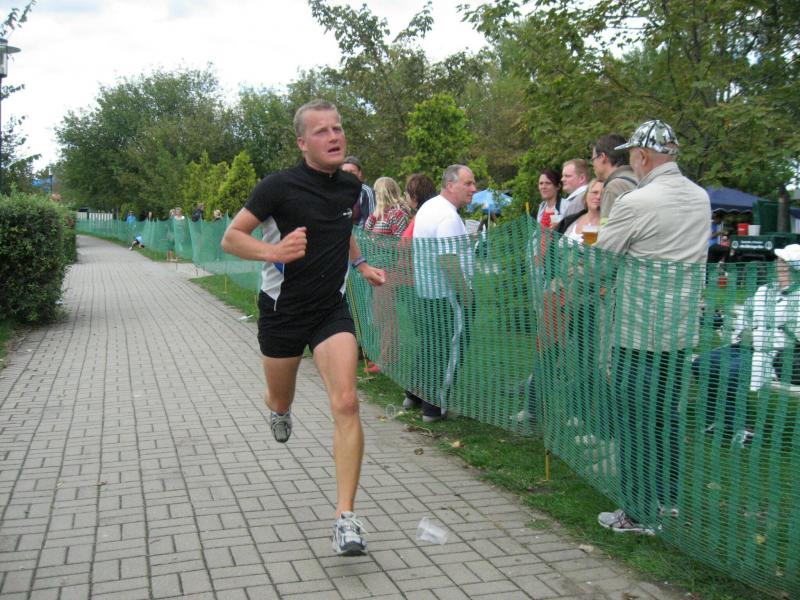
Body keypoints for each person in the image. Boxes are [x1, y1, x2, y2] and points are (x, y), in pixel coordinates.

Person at [220, 99, 386, 556]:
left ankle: (345, 518)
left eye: (338, 128)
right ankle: (279, 410)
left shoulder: (350, 188)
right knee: (281, 396)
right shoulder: (278, 187)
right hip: (282, 311)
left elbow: (342, 230)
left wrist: (362, 265)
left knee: (346, 401)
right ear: (301, 143)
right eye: (321, 131)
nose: (334, 136)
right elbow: (232, 237)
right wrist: (274, 252)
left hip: (330, 309)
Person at [594, 119, 710, 534]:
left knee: (635, 421)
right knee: (666, 415)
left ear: (643, 156)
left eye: (631, 156)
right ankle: (667, 497)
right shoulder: (700, 198)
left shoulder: (636, 202)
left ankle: (638, 511)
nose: (631, 163)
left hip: (639, 332)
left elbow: (601, 260)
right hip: (680, 331)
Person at [693, 245, 800, 442]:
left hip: (776, 353)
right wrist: (741, 330)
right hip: (745, 346)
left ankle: (741, 426)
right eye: (780, 261)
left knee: (730, 372)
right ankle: (720, 419)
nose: (781, 265)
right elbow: (746, 316)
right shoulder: (765, 290)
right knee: (701, 364)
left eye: (786, 262)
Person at [413, 165, 476, 423]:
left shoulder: (430, 207)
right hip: (447, 297)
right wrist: (465, 295)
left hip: (427, 293)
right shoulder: (448, 216)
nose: (474, 189)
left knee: (429, 346)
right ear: (451, 186)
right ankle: (435, 408)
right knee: (448, 351)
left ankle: (413, 395)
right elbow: (448, 260)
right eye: (468, 183)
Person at [362, 177, 412, 374]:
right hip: (376, 269)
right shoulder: (380, 213)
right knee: (379, 315)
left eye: (377, 191)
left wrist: (380, 245)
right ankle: (383, 355)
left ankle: (388, 359)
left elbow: (402, 242)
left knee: (387, 317)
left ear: (384, 192)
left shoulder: (397, 214)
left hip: (389, 271)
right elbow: (366, 232)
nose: (375, 195)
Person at [399, 174, 438, 411]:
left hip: (419, 287)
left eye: (406, 193)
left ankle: (414, 393)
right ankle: (422, 397)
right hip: (417, 288)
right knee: (431, 343)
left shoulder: (420, 218)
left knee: (427, 342)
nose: (405, 198)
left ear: (414, 196)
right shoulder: (421, 218)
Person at [590, 134, 638, 220]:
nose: (593, 165)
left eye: (593, 159)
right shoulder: (640, 179)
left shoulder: (613, 187)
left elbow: (607, 225)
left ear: (602, 157)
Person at [558, 178, 603, 244]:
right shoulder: (571, 219)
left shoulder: (608, 224)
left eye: (603, 194)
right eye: (594, 192)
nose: (598, 197)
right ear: (586, 195)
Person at [341, 156, 376, 228]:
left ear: (359, 173)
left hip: (359, 234)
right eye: (345, 172)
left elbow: (371, 223)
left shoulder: (366, 192)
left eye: (352, 172)